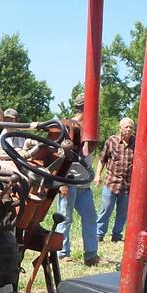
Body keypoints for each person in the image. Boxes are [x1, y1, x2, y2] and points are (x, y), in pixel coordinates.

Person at [56, 93, 99, 266]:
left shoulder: (89, 129)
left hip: (83, 183)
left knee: (90, 217)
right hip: (69, 181)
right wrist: (62, 182)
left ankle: (91, 255)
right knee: (65, 218)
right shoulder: (66, 127)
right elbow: (59, 155)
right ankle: (62, 254)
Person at [95, 117, 135, 243]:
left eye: (131, 127)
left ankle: (116, 236)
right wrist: (98, 175)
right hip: (111, 183)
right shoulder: (112, 141)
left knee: (122, 213)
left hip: (128, 185)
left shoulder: (137, 142)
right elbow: (102, 160)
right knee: (106, 209)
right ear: (120, 128)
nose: (128, 129)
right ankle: (99, 234)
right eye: (126, 127)